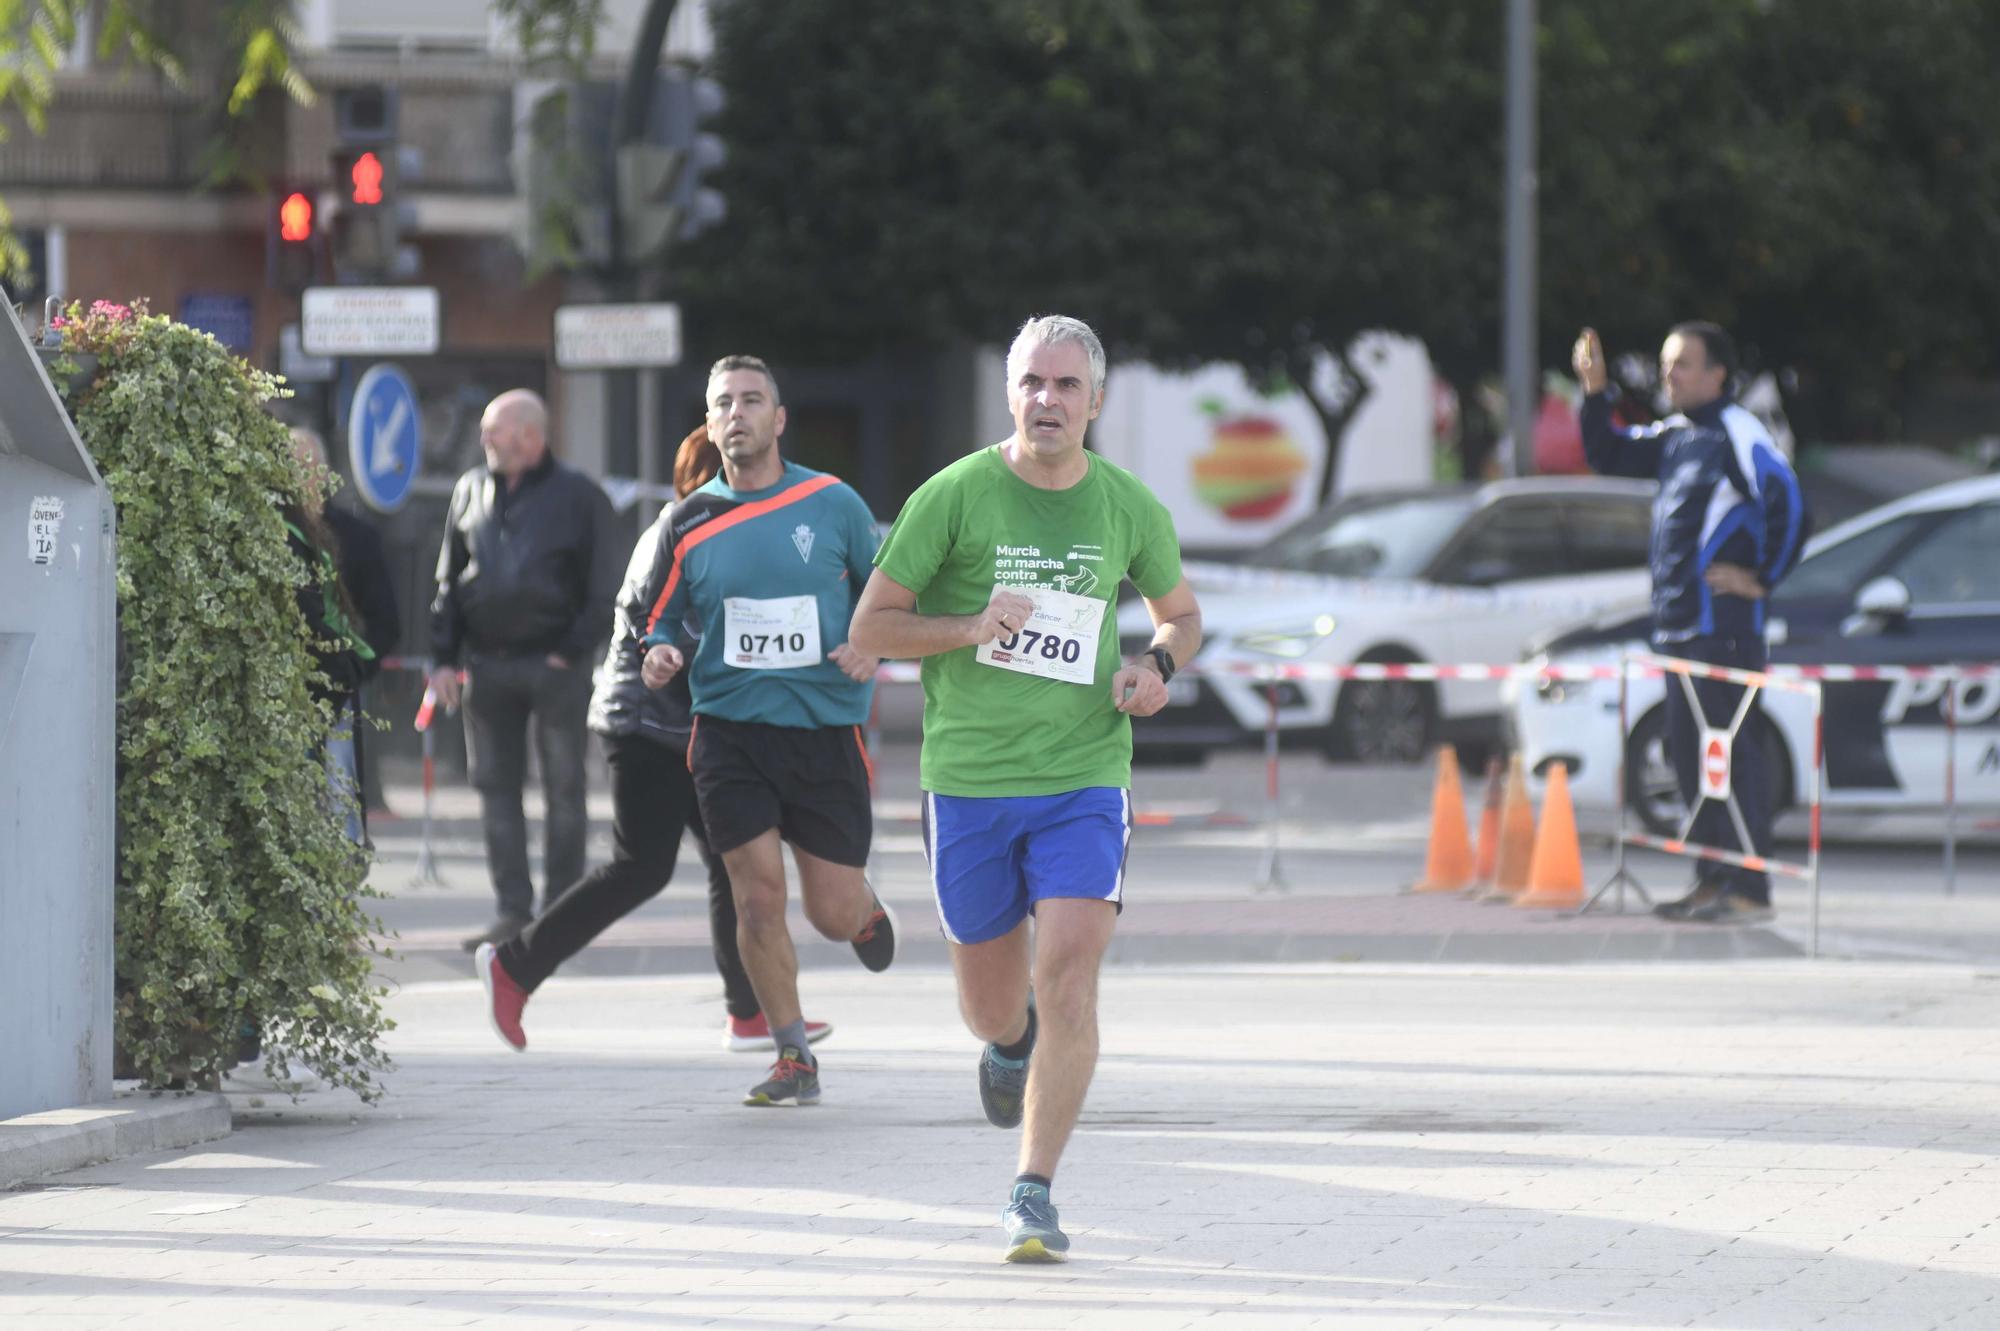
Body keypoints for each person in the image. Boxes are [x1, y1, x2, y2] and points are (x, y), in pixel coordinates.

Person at [848, 314, 1202, 1264]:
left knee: (1072, 970)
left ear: (1096, 402)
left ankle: (1031, 1188)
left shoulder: (1127, 506)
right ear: (1011, 394)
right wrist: (969, 626)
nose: (1047, 400)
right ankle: (1010, 1047)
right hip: (968, 782)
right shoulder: (954, 496)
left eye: (1065, 386)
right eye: (1031, 383)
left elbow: (1181, 614)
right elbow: (872, 627)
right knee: (994, 1004)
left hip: (1085, 771)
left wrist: (1155, 664)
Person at [472, 426, 832, 1055]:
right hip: (647, 724)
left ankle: (748, 1012)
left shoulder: (704, 531)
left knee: (731, 859)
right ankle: (514, 966)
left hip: (680, 726)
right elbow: (662, 626)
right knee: (640, 866)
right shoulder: (683, 531)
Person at [638, 354, 896, 1109]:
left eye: (754, 400)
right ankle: (793, 1055)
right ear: (711, 423)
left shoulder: (832, 502)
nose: (739, 413)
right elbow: (657, 617)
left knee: (829, 912)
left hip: (822, 731)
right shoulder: (686, 520)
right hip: (729, 734)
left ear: (778, 419)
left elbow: (888, 595)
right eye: (725, 402)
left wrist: (871, 642)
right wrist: (658, 653)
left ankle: (863, 908)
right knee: (756, 898)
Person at [1573, 322, 1806, 924]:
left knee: (1731, 754)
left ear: (1717, 375)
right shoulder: (1679, 435)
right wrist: (1595, 393)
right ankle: (1712, 877)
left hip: (1724, 629)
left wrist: (1762, 579)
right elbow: (1610, 452)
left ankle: (1750, 888)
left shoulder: (1738, 432)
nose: (1667, 375)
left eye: (1681, 364)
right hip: (1678, 630)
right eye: (1665, 363)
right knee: (1688, 758)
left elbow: (1788, 500)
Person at [430, 389, 621, 950]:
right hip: (487, 668)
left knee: (564, 787)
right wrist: (443, 658)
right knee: (495, 788)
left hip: (554, 666)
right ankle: (513, 912)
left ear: (532, 437)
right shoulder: (469, 490)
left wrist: (572, 648)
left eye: (496, 432)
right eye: (487, 432)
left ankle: (561, 913)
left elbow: (605, 585)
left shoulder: (580, 497)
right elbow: (448, 580)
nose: (485, 441)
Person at [289, 426, 400, 823]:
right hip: (287, 691)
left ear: (324, 471)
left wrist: (354, 669)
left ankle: (344, 868)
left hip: (339, 688)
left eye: (306, 464)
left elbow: (386, 619)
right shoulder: (273, 532)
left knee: (340, 791)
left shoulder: (356, 538)